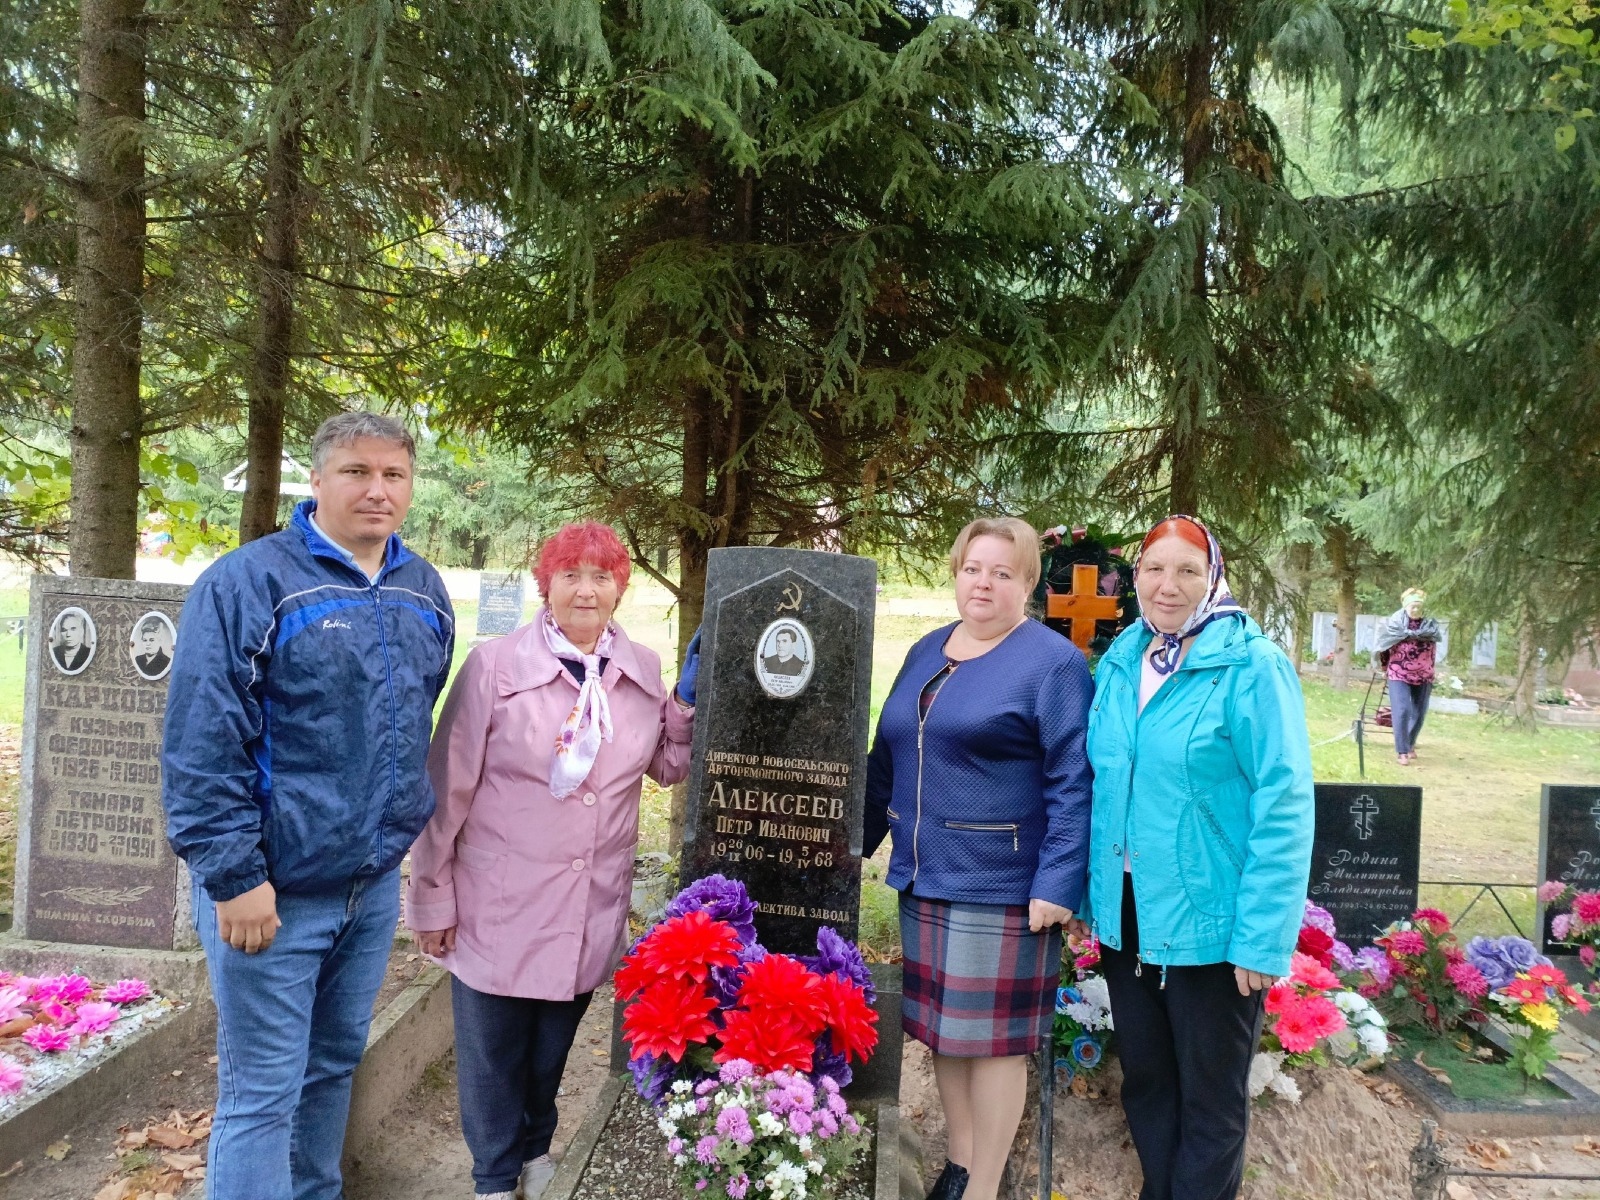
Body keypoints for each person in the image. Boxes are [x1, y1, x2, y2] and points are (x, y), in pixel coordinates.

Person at [163, 412, 455, 1200]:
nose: (377, 490)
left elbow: (412, 724)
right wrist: (232, 875)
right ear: (319, 480)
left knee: (330, 1071)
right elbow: (201, 741)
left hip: (368, 890)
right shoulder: (250, 583)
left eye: (394, 475)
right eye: (357, 472)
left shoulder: (422, 589)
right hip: (273, 894)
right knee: (261, 1094)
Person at [407, 521, 699, 1200]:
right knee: (493, 1054)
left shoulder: (640, 671)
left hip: (586, 906)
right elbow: (445, 792)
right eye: (570, 574)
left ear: (621, 587)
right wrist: (431, 898)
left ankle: (536, 1154)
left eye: (602, 576)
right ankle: (490, 1178)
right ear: (547, 585)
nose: (586, 590)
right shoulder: (496, 666)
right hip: (497, 904)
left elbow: (666, 766)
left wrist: (681, 705)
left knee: (549, 1051)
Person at [1079, 514, 1313, 1200]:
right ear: (1137, 577)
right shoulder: (1125, 658)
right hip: (1130, 913)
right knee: (1148, 1082)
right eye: (1155, 569)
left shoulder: (1251, 665)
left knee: (1210, 1101)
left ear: (1213, 577)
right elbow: (1105, 784)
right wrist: (1092, 901)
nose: (1168, 586)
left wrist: (1263, 937)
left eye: (1187, 570)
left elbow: (1285, 802)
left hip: (1212, 920)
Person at [864, 516, 1093, 1200]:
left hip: (1002, 883)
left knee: (991, 1045)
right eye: (973, 568)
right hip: (923, 874)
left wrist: (1058, 880)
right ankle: (959, 1167)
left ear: (1029, 582)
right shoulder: (926, 650)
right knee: (944, 1035)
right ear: (957, 571)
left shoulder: (1052, 663)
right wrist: (853, 847)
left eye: (1002, 572)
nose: (984, 583)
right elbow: (887, 760)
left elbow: (1073, 780)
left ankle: (985, 1187)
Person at [1375, 587, 1440, 766]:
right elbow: (1384, 646)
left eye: (1419, 606)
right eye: (1413, 606)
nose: (1416, 610)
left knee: (1419, 713)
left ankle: (1410, 743)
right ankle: (1402, 751)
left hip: (1424, 673)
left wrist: (1431, 670)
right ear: (1405, 606)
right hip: (1398, 671)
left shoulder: (1431, 626)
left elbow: (1434, 649)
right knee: (1402, 710)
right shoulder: (1395, 624)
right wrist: (1384, 667)